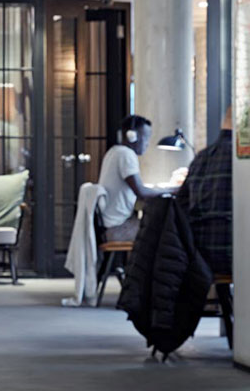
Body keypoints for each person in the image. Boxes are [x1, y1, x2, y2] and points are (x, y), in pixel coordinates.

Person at [176, 109, 233, 277]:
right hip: (234, 253)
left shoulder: (201, 157)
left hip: (199, 256)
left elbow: (181, 205)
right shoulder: (245, 160)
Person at [95, 114, 169, 242]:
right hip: (116, 228)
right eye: (146, 138)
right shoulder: (126, 154)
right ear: (132, 136)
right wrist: (171, 190)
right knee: (165, 233)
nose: (147, 143)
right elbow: (141, 192)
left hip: (108, 225)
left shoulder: (113, 152)